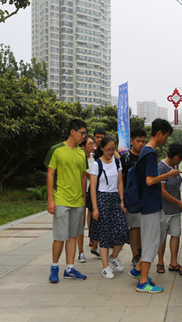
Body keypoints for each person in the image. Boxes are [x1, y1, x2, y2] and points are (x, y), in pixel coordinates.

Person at [128, 118, 179, 293]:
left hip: (153, 204)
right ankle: (143, 282)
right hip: (149, 205)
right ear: (159, 133)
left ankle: (138, 270)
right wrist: (169, 174)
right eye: (166, 136)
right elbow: (149, 180)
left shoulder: (146, 151)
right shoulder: (149, 153)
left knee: (158, 238)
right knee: (150, 241)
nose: (166, 140)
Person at [45, 119, 88, 283]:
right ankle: (54, 267)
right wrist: (51, 199)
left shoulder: (82, 152)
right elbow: (50, 174)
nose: (83, 136)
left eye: (84, 133)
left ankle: (69, 268)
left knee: (72, 235)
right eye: (81, 133)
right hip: (61, 199)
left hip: (77, 201)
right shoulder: (56, 150)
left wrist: (83, 199)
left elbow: (83, 176)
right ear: (72, 131)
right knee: (59, 236)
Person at [89, 136, 129, 279]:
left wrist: (122, 200)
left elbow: (120, 183)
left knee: (123, 230)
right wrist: (95, 207)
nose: (111, 152)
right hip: (102, 199)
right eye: (108, 150)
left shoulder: (117, 162)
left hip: (115, 199)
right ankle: (105, 267)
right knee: (104, 234)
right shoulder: (96, 164)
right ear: (101, 148)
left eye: (113, 149)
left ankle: (114, 256)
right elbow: (93, 187)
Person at [156, 143, 182, 273]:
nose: (179, 160)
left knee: (175, 234)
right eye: (178, 157)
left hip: (175, 210)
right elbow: (162, 191)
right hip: (164, 209)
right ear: (171, 155)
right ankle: (160, 261)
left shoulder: (175, 167)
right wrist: (178, 202)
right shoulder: (161, 167)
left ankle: (173, 262)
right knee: (162, 236)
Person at [120, 128, 146, 266]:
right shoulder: (126, 158)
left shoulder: (146, 155)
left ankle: (142, 253)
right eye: (138, 141)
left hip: (146, 197)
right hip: (132, 197)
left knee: (143, 226)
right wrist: (122, 199)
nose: (141, 144)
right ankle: (135, 255)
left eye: (143, 141)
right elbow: (121, 179)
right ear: (131, 141)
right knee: (135, 227)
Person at [77, 135, 95, 263]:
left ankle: (93, 240)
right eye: (89, 144)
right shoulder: (78, 158)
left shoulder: (95, 158)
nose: (92, 146)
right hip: (80, 191)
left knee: (92, 215)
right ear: (83, 146)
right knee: (80, 221)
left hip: (92, 190)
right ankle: (80, 252)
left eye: (92, 143)